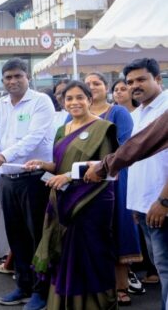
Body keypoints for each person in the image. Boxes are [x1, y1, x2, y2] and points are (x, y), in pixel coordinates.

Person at [25, 81, 119, 309]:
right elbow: (59, 165)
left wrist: (68, 175)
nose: (74, 102)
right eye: (69, 99)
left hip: (91, 202)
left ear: (90, 99)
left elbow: (107, 168)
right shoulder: (62, 129)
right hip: (64, 201)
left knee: (92, 255)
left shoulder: (103, 128)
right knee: (65, 255)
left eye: (80, 97)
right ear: (63, 103)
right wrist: (44, 164)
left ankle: (96, 305)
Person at [0, 58, 55, 309]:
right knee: (16, 237)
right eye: (8, 77)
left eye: (17, 76)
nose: (12, 81)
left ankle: (41, 291)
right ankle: (23, 285)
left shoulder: (41, 101)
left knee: (36, 238)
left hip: (34, 179)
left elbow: (35, 138)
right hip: (7, 179)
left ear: (27, 77)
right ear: (2, 81)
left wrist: (3, 156)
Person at [84, 72, 142, 303]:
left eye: (96, 83)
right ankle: (97, 286)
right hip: (85, 181)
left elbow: (126, 147)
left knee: (116, 229)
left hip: (113, 179)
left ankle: (121, 287)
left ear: (105, 86)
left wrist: (101, 165)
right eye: (87, 84)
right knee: (91, 233)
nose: (92, 87)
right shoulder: (74, 115)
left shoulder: (117, 112)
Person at [121, 58, 168, 310]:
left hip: (162, 206)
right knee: (162, 269)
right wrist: (136, 206)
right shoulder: (136, 114)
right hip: (145, 208)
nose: (134, 86)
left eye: (141, 79)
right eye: (130, 82)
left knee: (167, 269)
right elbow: (137, 163)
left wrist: (163, 201)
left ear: (158, 79)